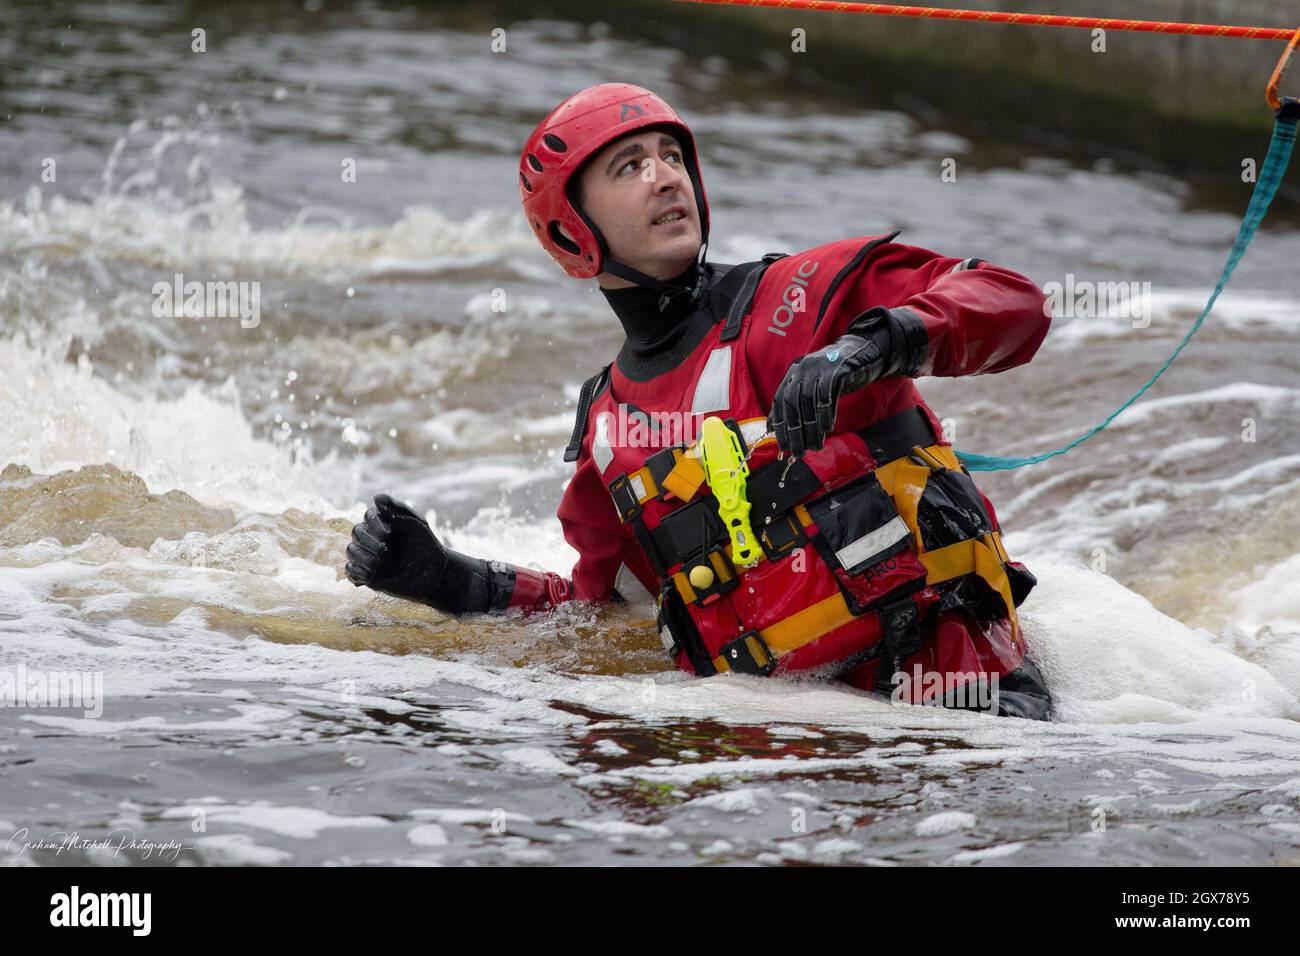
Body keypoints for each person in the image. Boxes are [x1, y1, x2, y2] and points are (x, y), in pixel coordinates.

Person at [345, 83, 1054, 719]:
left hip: (980, 720)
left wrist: (873, 346)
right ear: (570, 232)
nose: (664, 178)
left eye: (671, 157)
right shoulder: (609, 432)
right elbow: (600, 620)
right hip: (815, 744)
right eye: (630, 168)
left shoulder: (801, 300)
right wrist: (446, 579)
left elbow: (1013, 303)